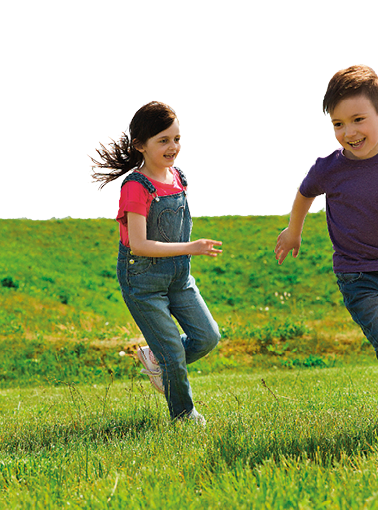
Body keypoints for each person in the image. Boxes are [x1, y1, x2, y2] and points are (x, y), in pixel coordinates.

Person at [274, 65, 378, 444]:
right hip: (358, 276)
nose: (348, 132)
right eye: (338, 124)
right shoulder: (329, 169)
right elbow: (305, 194)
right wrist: (294, 230)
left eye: (357, 120)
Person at [91, 101, 221, 426]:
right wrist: (192, 246)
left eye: (176, 139)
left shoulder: (179, 178)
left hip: (179, 278)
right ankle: (184, 417)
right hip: (144, 282)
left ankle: (155, 358)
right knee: (174, 355)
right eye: (163, 140)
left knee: (207, 336)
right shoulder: (136, 187)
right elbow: (139, 244)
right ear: (140, 145)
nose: (172, 147)